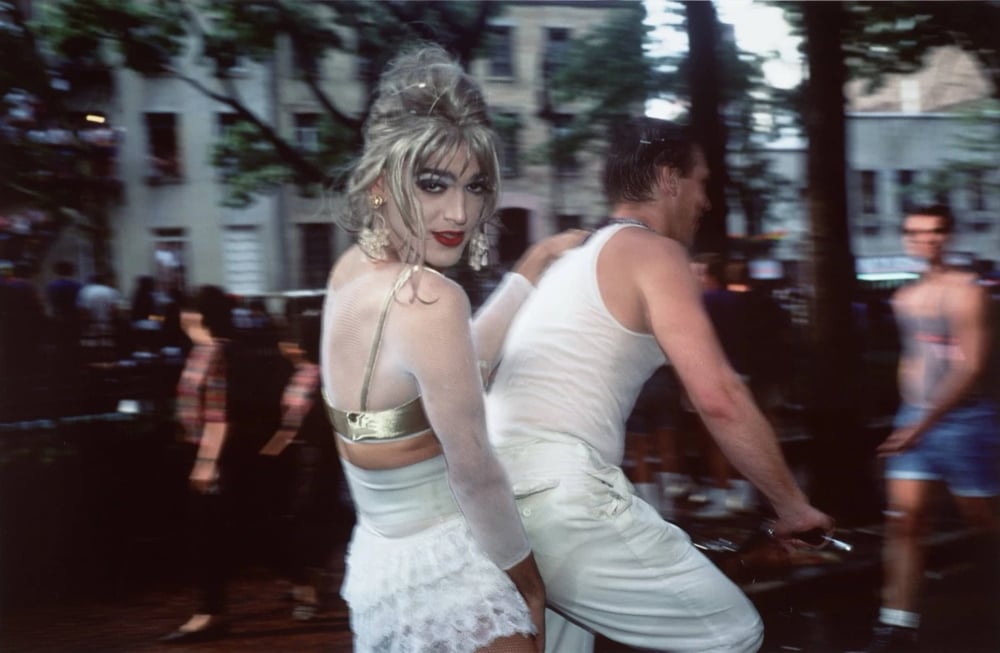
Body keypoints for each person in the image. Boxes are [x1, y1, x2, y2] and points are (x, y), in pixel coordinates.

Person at [485, 116, 834, 652]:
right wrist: (792, 506)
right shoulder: (653, 252)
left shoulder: (578, 261)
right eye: (703, 181)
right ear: (669, 179)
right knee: (732, 634)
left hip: (501, 498)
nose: (708, 201)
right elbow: (718, 395)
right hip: (561, 497)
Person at [320, 44, 583, 652]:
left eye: (474, 186)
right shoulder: (430, 298)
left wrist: (531, 267)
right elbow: (475, 473)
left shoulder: (351, 271)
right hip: (455, 566)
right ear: (383, 184)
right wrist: (529, 582)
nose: (459, 212)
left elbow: (458, 357)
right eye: (434, 184)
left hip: (381, 567)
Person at [865, 204, 999, 652]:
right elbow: (914, 357)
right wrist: (907, 415)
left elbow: (972, 366)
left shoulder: (969, 292)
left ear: (950, 235)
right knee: (905, 522)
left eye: (936, 231)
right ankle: (897, 626)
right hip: (915, 421)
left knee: (984, 521)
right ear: (907, 238)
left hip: (965, 422)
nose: (927, 240)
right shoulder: (905, 297)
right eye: (917, 232)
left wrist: (922, 423)